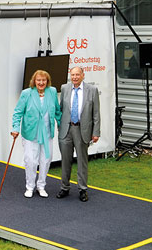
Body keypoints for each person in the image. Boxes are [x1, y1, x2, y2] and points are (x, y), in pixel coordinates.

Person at [11, 69, 61, 198]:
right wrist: (15, 128)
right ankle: (30, 186)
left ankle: (41, 186)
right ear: (34, 81)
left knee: (46, 160)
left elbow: (57, 111)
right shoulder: (26, 93)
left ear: (47, 81)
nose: (41, 83)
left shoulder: (52, 92)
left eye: (44, 80)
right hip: (30, 133)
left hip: (47, 133)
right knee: (31, 161)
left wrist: (61, 126)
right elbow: (18, 112)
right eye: (38, 80)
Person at [57, 66, 100, 202]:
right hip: (66, 130)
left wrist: (96, 132)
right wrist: (59, 126)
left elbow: (96, 113)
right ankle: (64, 187)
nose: (75, 77)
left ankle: (82, 189)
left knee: (82, 161)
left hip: (82, 130)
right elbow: (61, 109)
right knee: (65, 160)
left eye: (77, 75)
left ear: (83, 75)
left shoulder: (92, 90)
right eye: (73, 75)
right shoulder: (65, 88)